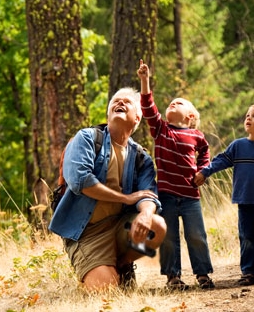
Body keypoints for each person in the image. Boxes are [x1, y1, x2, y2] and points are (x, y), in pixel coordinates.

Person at [49, 87, 167, 292]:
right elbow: (80, 181)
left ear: (137, 117)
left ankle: (123, 263)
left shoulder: (140, 157)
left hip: (119, 226)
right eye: (116, 101)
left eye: (127, 102)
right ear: (108, 112)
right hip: (86, 234)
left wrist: (146, 213)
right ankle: (103, 267)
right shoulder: (86, 138)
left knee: (156, 225)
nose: (120, 103)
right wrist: (126, 198)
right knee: (107, 290)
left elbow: (148, 193)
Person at [137, 60, 214, 290]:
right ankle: (173, 277)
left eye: (178, 103)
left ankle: (203, 274)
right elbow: (149, 108)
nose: (172, 103)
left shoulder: (196, 135)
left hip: (191, 196)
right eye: (171, 103)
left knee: (197, 236)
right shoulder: (162, 130)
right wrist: (144, 80)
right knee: (169, 238)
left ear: (190, 116)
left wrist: (203, 171)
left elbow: (205, 153)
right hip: (167, 195)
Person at [195, 104, 254, 285]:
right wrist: (205, 172)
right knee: (247, 236)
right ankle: (248, 272)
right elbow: (221, 160)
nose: (248, 118)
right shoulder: (238, 146)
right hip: (245, 201)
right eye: (247, 115)